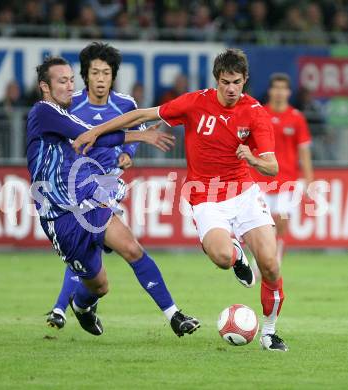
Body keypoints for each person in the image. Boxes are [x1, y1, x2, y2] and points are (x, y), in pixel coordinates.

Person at [72, 48, 289, 351]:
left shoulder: (254, 113)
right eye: (225, 81)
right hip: (206, 198)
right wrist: (96, 131)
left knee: (270, 265)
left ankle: (269, 332)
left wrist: (252, 158)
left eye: (236, 82)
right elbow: (142, 115)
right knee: (223, 258)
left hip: (244, 195)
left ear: (245, 81)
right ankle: (237, 255)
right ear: (217, 79)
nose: (230, 88)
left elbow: (273, 166)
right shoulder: (195, 103)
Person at [27, 56, 200, 337]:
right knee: (99, 286)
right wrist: (138, 136)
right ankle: (79, 308)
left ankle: (174, 315)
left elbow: (94, 136)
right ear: (45, 87)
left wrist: (131, 143)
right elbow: (88, 135)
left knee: (132, 248)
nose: (70, 86)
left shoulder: (66, 112)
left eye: (72, 80)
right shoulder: (44, 112)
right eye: (62, 81)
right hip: (60, 215)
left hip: (87, 197)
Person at [251, 73, 313, 269]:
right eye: (275, 88)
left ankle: (275, 261)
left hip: (287, 181)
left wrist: (309, 180)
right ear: (270, 91)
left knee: (282, 223)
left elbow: (304, 151)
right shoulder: (259, 114)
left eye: (283, 88)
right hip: (260, 179)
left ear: (288, 92)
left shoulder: (297, 118)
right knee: (262, 225)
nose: (279, 92)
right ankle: (260, 259)